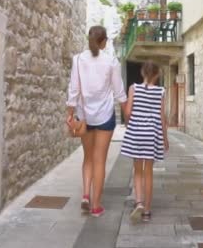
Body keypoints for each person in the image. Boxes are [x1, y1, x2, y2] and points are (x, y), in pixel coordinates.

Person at [66, 25, 128, 217]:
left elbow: (73, 90)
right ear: (103, 42)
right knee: (100, 160)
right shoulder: (111, 62)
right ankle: (96, 205)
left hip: (84, 116)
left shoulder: (77, 60)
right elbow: (119, 93)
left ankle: (85, 195)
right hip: (105, 116)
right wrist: (128, 115)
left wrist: (70, 114)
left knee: (88, 158)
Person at [121, 61, 169, 223]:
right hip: (151, 134)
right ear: (156, 75)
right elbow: (162, 118)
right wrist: (165, 139)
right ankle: (147, 211)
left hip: (135, 133)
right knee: (148, 172)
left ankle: (139, 202)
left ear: (142, 73)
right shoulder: (161, 92)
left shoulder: (133, 88)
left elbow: (127, 111)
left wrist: (129, 124)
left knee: (137, 171)